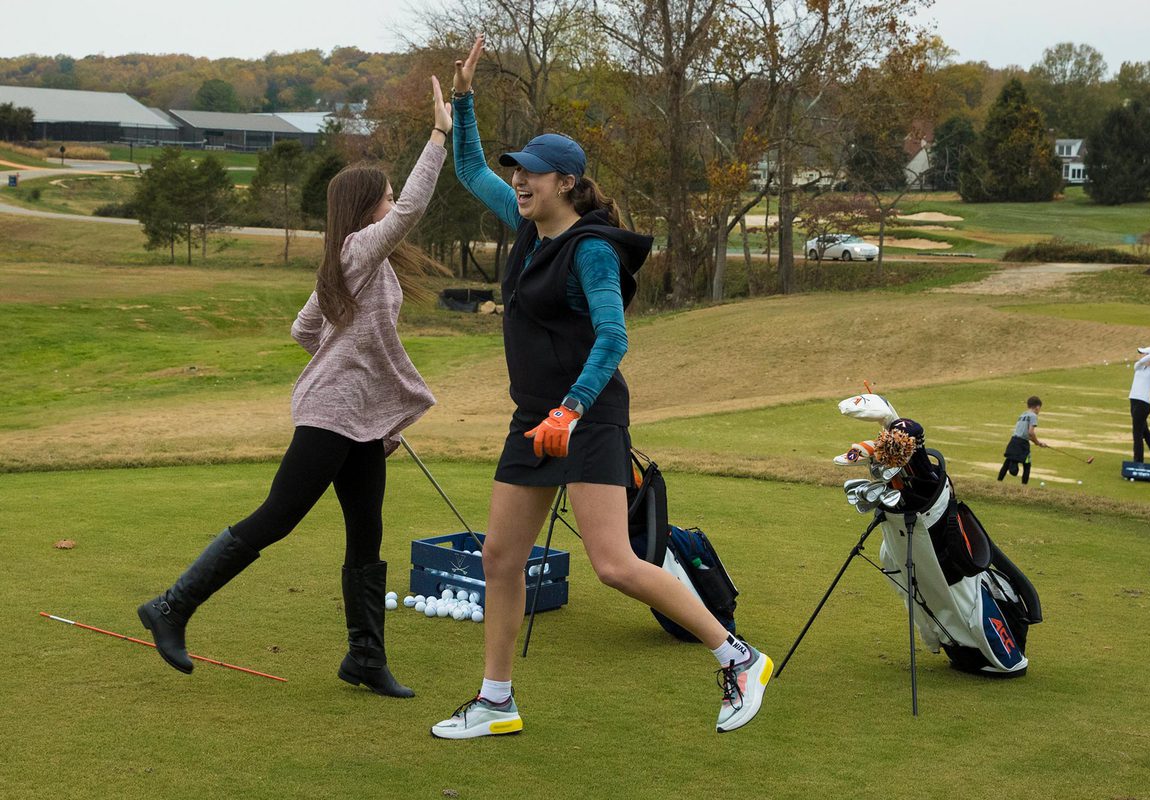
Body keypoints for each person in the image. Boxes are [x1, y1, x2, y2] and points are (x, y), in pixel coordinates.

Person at [429, 35, 772, 740]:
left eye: (532, 173)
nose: (519, 181)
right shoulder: (527, 229)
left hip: (585, 416)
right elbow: (467, 167)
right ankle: (497, 701)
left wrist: (571, 408)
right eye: (517, 172)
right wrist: (463, 103)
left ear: (567, 183)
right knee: (500, 557)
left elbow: (613, 339)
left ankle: (738, 657)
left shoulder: (589, 250)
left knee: (614, 564)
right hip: (536, 418)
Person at [136, 78, 453, 699]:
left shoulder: (355, 259)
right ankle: (170, 607)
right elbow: (415, 207)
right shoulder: (361, 248)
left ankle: (365, 656)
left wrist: (359, 386)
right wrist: (440, 133)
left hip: (355, 415)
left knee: (367, 528)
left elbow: (305, 328)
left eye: (392, 197)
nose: (396, 206)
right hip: (333, 413)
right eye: (387, 198)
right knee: (279, 516)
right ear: (367, 209)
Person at [998, 396, 1045, 484]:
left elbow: (1025, 433)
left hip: (1013, 441)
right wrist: (1038, 443)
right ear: (1037, 407)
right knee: (1027, 464)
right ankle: (1024, 486)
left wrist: (1038, 442)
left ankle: (999, 481)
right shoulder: (1033, 416)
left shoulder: (1022, 415)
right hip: (1022, 444)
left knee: (1008, 461)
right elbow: (1030, 433)